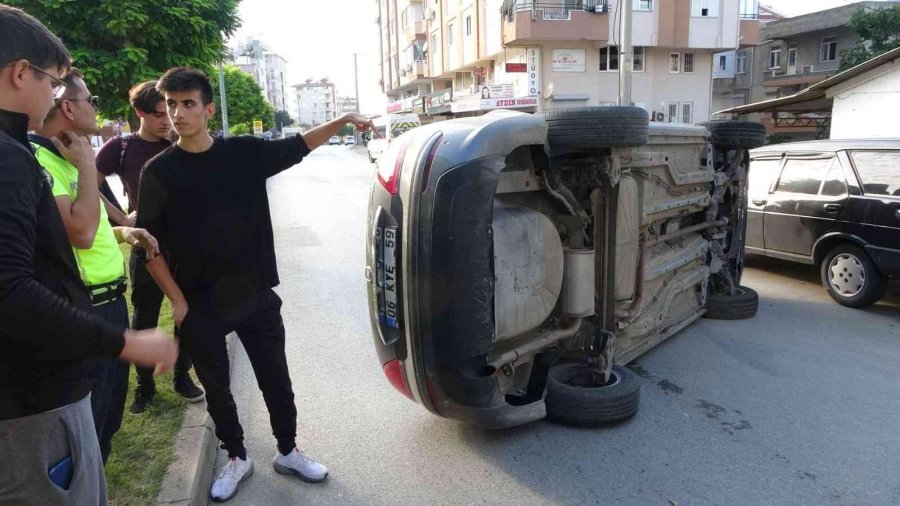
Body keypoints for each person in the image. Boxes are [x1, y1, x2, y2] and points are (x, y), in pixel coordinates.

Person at [137, 67, 373, 503]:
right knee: (219, 390)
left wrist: (342, 121)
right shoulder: (159, 172)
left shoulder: (243, 154)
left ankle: (288, 450)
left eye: (188, 103)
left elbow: (298, 145)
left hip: (255, 295)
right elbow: (147, 246)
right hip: (200, 303)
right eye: (171, 104)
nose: (178, 112)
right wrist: (177, 301)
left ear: (208, 109)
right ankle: (237, 456)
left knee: (276, 380)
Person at [0, 6, 177, 505]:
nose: (54, 97)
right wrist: (122, 341)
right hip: (34, 396)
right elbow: (10, 289)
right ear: (20, 74)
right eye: (53, 83)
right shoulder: (12, 157)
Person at [29, 69, 164, 464]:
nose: (96, 108)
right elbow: (80, 233)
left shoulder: (66, 157)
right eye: (92, 101)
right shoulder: (40, 159)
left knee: (106, 422)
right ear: (68, 108)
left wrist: (125, 233)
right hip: (82, 308)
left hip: (109, 304)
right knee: (86, 431)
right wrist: (89, 164)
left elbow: (94, 224)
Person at [96, 81, 204, 414]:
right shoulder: (121, 147)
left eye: (170, 111)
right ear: (139, 112)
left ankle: (182, 376)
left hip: (186, 247)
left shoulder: (184, 142)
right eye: (159, 114)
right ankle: (144, 386)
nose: (168, 119)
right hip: (146, 245)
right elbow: (86, 182)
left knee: (186, 313)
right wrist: (121, 218)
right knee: (144, 315)